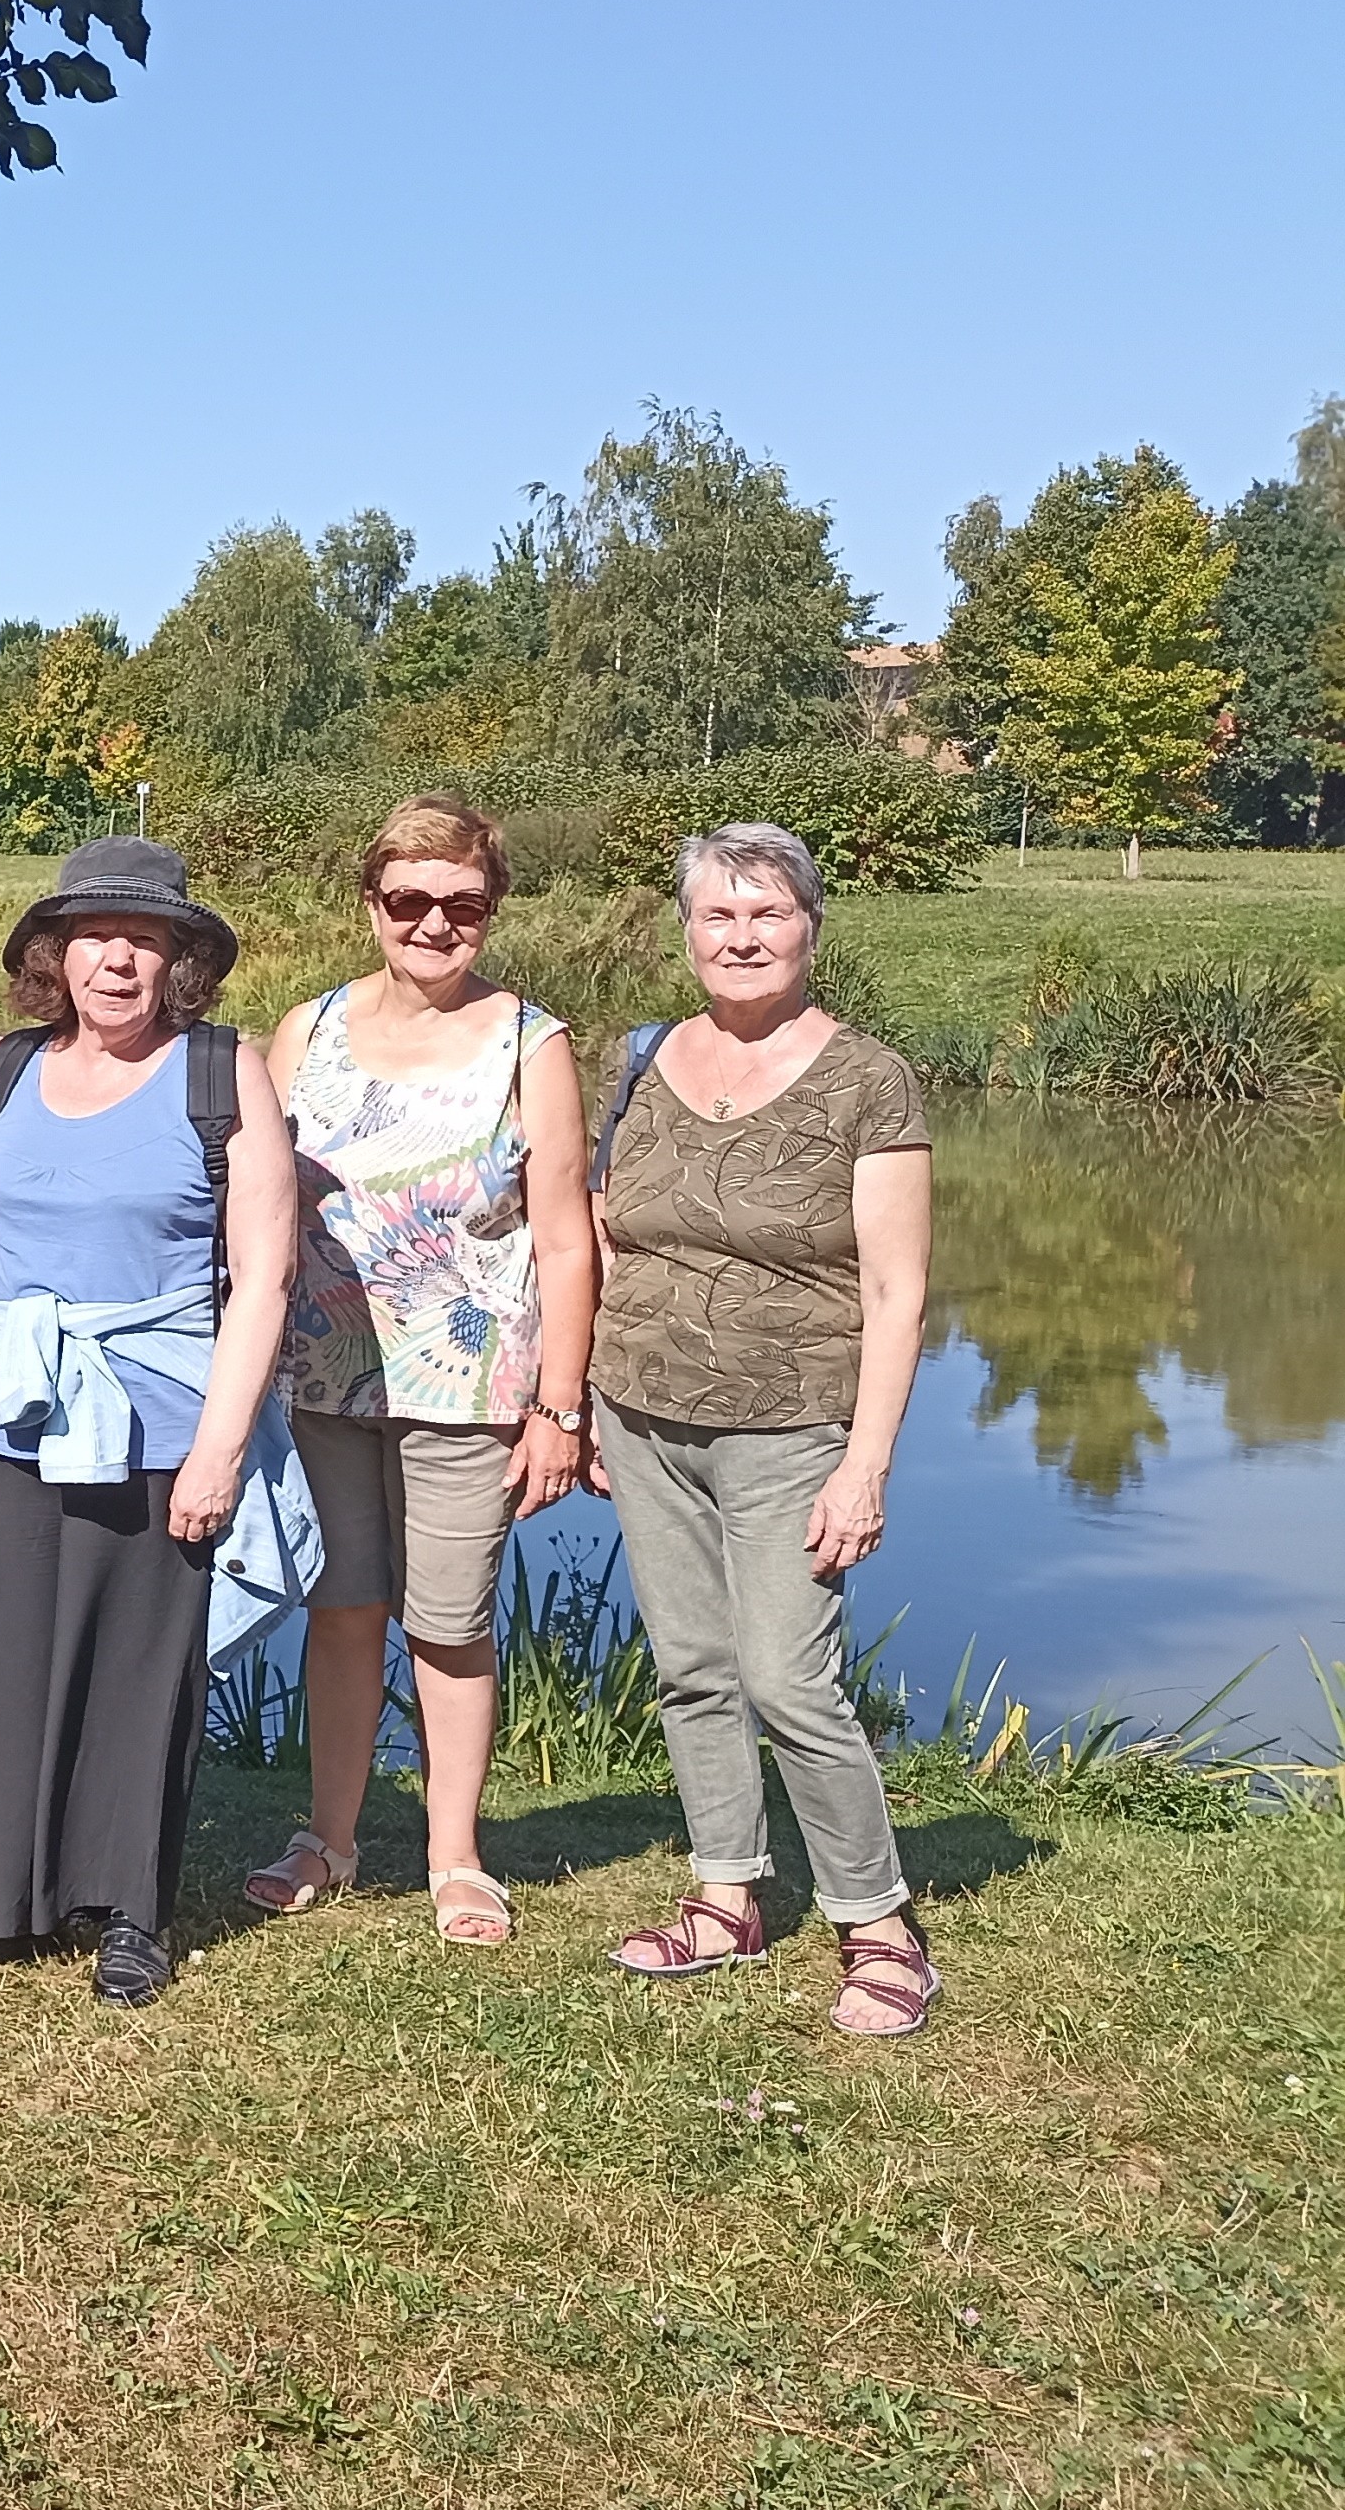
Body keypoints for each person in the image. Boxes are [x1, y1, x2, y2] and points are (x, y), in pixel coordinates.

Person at [0, 837, 297, 2007]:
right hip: (13, 1415)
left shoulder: (223, 1073)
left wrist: (219, 1451)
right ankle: (4, 1904)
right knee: (13, 1656)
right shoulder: (5, 1069)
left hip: (161, 1423)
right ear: (54, 955)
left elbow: (263, 1275)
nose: (115, 962)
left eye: (142, 940)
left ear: (177, 960)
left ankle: (132, 1914)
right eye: (92, 939)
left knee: (139, 1672)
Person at [588, 823, 940, 2038]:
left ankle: (877, 1923)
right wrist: (579, 1396)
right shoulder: (638, 1059)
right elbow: (602, 1233)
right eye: (717, 917)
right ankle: (725, 1895)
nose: (741, 938)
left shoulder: (866, 1080)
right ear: (686, 932)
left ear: (809, 927)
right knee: (690, 1669)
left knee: (791, 1679)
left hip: (790, 1424)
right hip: (637, 1409)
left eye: (767, 914)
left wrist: (865, 1463)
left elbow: (897, 1292)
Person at [244, 798, 596, 1949]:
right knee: (341, 1610)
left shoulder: (530, 1045)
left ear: (489, 913)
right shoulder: (307, 1029)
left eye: (462, 904)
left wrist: (559, 1404)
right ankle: (328, 1840)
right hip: (321, 1373)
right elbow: (257, 1199)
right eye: (409, 900)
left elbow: (565, 1236)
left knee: (449, 1624)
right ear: (371, 903)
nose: (434, 924)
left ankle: (455, 1857)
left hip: (472, 1386)